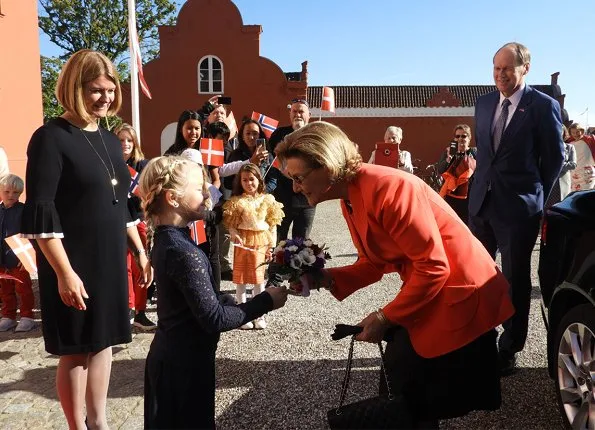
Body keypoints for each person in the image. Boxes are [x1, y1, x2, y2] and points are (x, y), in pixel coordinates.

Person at [276, 121, 514, 427]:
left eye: (299, 177)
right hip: (435, 286)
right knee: (404, 390)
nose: (296, 187)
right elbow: (375, 263)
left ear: (327, 165)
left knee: (406, 388)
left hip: (460, 290)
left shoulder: (389, 187)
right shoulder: (353, 195)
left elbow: (434, 267)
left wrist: (385, 317)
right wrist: (322, 278)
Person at [21, 49, 152, 429]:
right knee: (76, 350)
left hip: (110, 259)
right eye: (97, 90)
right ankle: (77, 426)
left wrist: (140, 252)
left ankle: (100, 423)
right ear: (74, 88)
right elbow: (41, 213)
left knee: (105, 343)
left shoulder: (113, 141)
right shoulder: (50, 138)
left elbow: (120, 204)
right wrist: (64, 273)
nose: (106, 98)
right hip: (71, 261)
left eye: (111, 90)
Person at [139, 156, 288, 429]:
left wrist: (221, 298)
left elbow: (189, 300)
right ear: (173, 198)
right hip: (183, 368)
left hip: (175, 357)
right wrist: (266, 300)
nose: (207, 193)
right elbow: (213, 319)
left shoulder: (168, 238)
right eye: (198, 188)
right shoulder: (182, 251)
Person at [468, 42, 564, 376]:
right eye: (496, 68)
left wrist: (535, 199)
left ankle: (509, 349)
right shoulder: (483, 104)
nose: (500, 75)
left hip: (518, 211)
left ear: (525, 68)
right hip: (481, 205)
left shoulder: (542, 106)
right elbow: (485, 156)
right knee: (476, 275)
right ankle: (481, 339)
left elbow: (553, 161)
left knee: (514, 280)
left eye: (507, 68)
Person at [222, 163, 284, 329]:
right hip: (243, 241)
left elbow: (272, 225)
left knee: (258, 280)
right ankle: (242, 314)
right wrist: (234, 234)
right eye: (244, 180)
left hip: (261, 241)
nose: (249, 183)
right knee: (241, 279)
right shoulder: (237, 201)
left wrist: (271, 246)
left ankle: (259, 314)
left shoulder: (268, 200)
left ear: (259, 179)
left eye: (252, 179)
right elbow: (232, 224)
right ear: (239, 182)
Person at [115, 123, 155, 330]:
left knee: (140, 265)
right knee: (123, 267)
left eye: (129, 140)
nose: (125, 144)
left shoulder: (143, 165)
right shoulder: (109, 164)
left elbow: (149, 193)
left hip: (138, 220)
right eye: (121, 140)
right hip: (117, 221)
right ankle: (126, 309)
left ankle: (140, 311)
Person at [268, 99, 316, 242]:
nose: (297, 115)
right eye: (294, 111)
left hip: (307, 200)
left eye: (301, 111)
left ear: (309, 114)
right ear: (290, 114)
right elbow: (271, 160)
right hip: (282, 199)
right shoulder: (279, 134)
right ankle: (277, 266)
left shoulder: (317, 134)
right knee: (278, 241)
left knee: (302, 243)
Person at [0, 174, 35, 332]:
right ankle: (8, 316)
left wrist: (27, 256)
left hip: (18, 258)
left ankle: (27, 316)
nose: (11, 196)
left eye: (15, 193)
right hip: (1, 259)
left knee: (23, 289)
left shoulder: (24, 210)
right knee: (5, 290)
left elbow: (30, 234)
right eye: (7, 191)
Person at [436, 124, 477, 224]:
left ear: (469, 138)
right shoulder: (449, 151)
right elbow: (440, 170)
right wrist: (448, 160)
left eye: (463, 136)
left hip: (470, 194)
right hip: (452, 194)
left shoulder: (475, 152)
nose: (460, 139)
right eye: (457, 136)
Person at [568, 123, 595, 191]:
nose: (576, 134)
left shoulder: (589, 140)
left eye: (577, 132)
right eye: (573, 132)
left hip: (587, 173)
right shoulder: (570, 144)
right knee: (574, 195)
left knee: (587, 193)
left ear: (582, 131)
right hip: (574, 174)